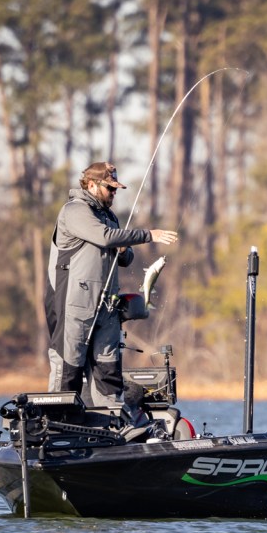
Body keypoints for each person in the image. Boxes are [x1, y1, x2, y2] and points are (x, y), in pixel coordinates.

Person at [45, 161, 178, 403]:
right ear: (92, 185)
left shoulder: (109, 217)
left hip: (106, 306)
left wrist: (125, 248)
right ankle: (59, 420)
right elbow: (105, 237)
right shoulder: (74, 211)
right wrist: (149, 235)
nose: (114, 193)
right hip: (73, 305)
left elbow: (125, 257)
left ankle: (113, 418)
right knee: (69, 368)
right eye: (110, 188)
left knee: (108, 370)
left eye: (116, 189)